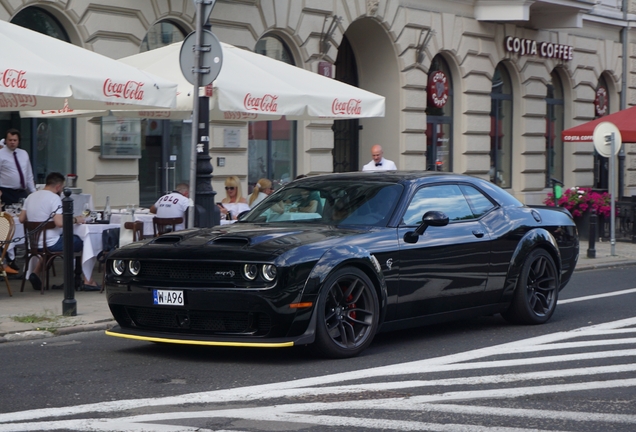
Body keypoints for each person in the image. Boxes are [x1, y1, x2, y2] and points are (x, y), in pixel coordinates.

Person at [18, 172, 100, 291]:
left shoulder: (31, 196)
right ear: (58, 186)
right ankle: (87, 280)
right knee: (85, 241)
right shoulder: (54, 198)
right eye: (61, 187)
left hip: (35, 244)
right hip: (52, 244)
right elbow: (60, 223)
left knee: (53, 243)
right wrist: (76, 219)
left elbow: (21, 219)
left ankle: (35, 273)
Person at [0, 129, 36, 207]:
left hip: (22, 192)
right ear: (6, 140)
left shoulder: (24, 153)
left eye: (15, 140)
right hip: (6, 192)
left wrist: (34, 192)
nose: (12, 142)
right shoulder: (1, 154)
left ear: (18, 141)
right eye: (10, 140)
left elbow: (29, 175)